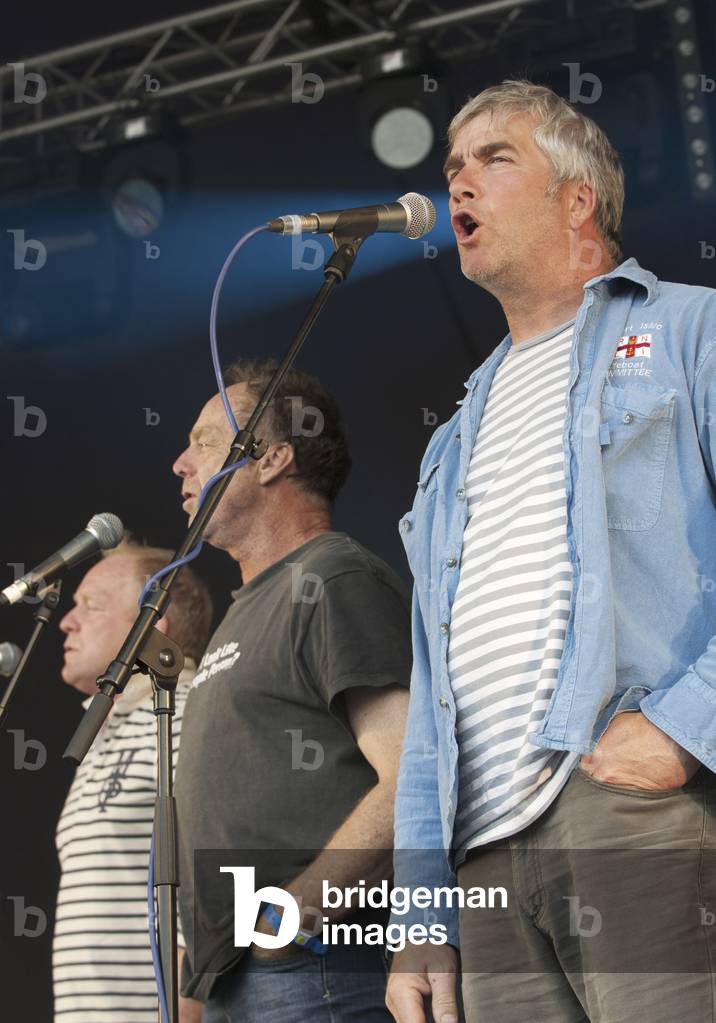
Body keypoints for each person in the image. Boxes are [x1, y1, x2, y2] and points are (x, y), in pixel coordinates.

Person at [385, 79, 716, 1023]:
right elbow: (431, 690)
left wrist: (684, 726)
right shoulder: (451, 439)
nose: (458, 182)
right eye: (453, 166)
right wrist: (421, 913)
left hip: (629, 810)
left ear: (578, 199)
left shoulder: (690, 329)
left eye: (494, 158)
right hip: (484, 861)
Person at [171, 358, 413, 1022]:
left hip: (315, 967)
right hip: (238, 979)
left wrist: (294, 913)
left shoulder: (332, 575)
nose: (180, 464)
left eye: (203, 442)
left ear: (273, 458)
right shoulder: (243, 610)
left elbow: (411, 776)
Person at [53, 539, 212, 1023]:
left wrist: (182, 1011)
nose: (66, 621)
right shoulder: (108, 730)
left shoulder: (184, 714)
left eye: (91, 605)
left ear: (152, 624)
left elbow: (212, 876)